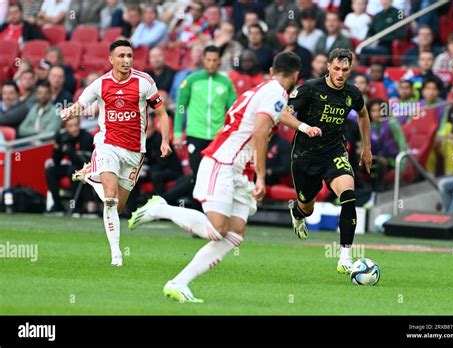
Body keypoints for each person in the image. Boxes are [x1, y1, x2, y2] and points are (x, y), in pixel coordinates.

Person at [127, 52, 307, 303]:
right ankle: (160, 208)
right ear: (296, 75)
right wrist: (262, 178)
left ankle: (178, 283)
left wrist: (303, 127)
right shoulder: (276, 93)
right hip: (224, 162)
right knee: (216, 230)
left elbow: (276, 116)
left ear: (271, 70)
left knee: (233, 235)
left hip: (239, 169)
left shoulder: (264, 90)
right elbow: (259, 132)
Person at [60, 40, 173, 267]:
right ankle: (116, 255)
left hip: (134, 152)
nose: (126, 61)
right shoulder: (100, 84)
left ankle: (92, 175)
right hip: (107, 145)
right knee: (110, 199)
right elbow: (80, 104)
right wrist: (68, 111)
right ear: (111, 59)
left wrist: (165, 141)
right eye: (121, 56)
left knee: (119, 206)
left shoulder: (144, 83)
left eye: (129, 56)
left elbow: (162, 114)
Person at [285, 48, 372, 274]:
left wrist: (367, 149)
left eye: (345, 70)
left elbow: (363, 114)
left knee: (348, 196)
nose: (340, 74)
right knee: (308, 207)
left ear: (350, 69)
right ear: (328, 67)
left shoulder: (352, 93)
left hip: (335, 153)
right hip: (305, 157)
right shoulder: (310, 89)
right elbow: (283, 113)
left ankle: (345, 256)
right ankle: (297, 212)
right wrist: (305, 127)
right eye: (336, 69)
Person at [174, 45, 236, 178]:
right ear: (203, 59)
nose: (211, 64)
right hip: (195, 134)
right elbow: (180, 107)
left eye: (215, 60)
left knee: (216, 176)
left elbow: (234, 110)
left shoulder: (226, 83)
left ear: (219, 60)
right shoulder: (191, 80)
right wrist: (178, 133)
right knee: (197, 175)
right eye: (208, 60)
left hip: (217, 136)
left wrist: (228, 130)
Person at [45, 117, 94, 214]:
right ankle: (57, 205)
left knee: (73, 170)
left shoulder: (86, 137)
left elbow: (83, 161)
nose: (74, 129)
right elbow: (56, 160)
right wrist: (58, 146)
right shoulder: (64, 137)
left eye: (76, 125)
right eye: (70, 126)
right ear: (65, 127)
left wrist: (68, 148)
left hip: (87, 168)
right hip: (73, 166)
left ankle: (77, 206)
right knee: (51, 170)